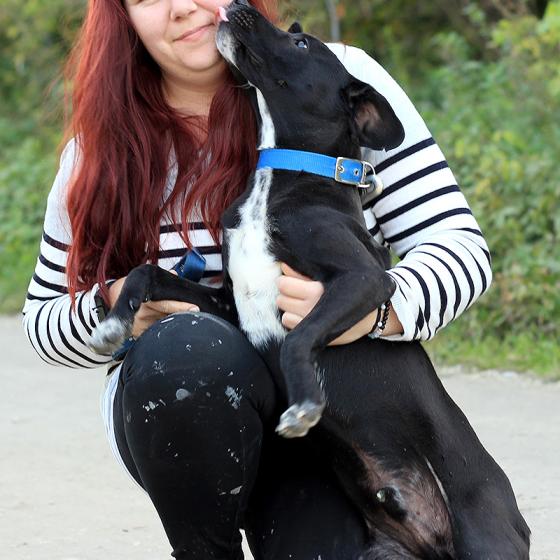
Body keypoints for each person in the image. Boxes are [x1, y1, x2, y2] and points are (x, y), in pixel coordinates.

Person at [22, 0, 492, 558]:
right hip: (187, 410)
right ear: (121, 16)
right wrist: (113, 304)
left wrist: (377, 310)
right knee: (188, 353)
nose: (182, 7)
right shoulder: (101, 150)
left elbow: (461, 250)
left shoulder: (332, 80)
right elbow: (41, 322)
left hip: (327, 427)